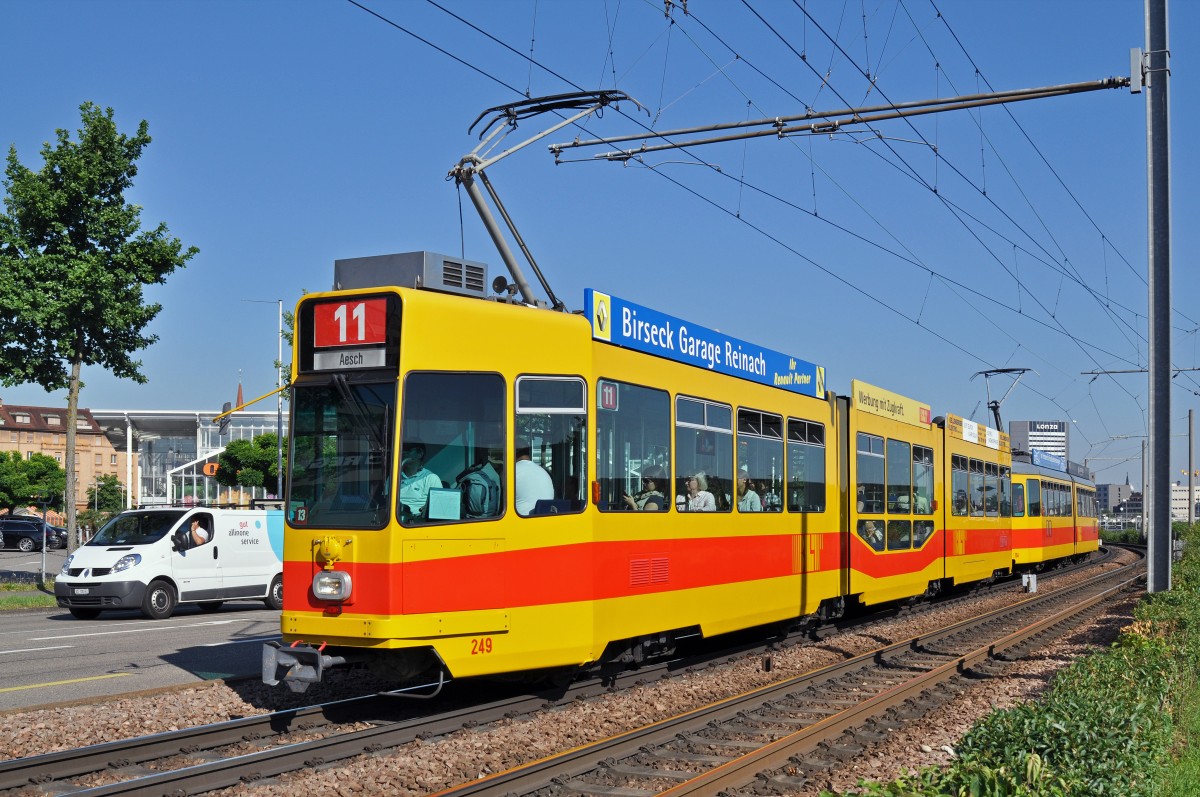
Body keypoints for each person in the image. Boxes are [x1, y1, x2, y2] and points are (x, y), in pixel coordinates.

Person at [399, 443, 443, 520]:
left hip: (418, 522)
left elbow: (438, 508)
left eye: (409, 450)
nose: (405, 453)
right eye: (403, 450)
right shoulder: (394, 477)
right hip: (394, 518)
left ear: (420, 454)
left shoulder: (431, 478)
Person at [514, 438, 554, 515]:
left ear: (513, 452)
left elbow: (499, 504)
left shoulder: (511, 472)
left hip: (520, 523)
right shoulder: (543, 472)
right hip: (545, 521)